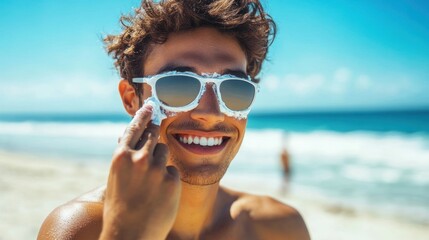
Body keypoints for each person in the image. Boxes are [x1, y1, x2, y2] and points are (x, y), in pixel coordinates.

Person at [38, 0, 310, 239]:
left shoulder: (279, 228)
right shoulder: (78, 229)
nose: (211, 113)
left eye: (234, 90)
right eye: (178, 85)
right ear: (131, 98)